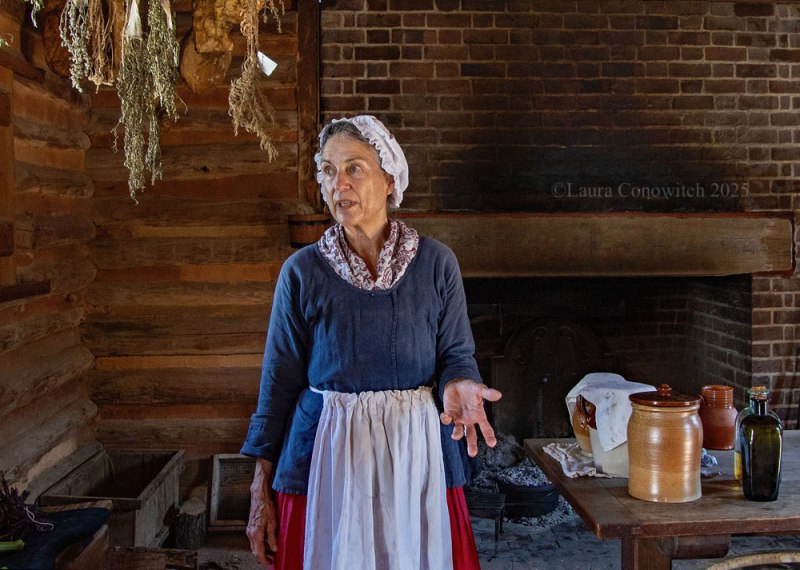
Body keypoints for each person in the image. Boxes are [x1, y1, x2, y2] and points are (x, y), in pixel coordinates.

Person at [241, 115, 502, 570]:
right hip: (329, 460)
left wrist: (459, 383)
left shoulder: (437, 263)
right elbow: (277, 384)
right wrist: (258, 487)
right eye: (327, 170)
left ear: (389, 179)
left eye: (353, 168)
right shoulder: (302, 272)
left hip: (415, 456)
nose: (337, 184)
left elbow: (457, 355)